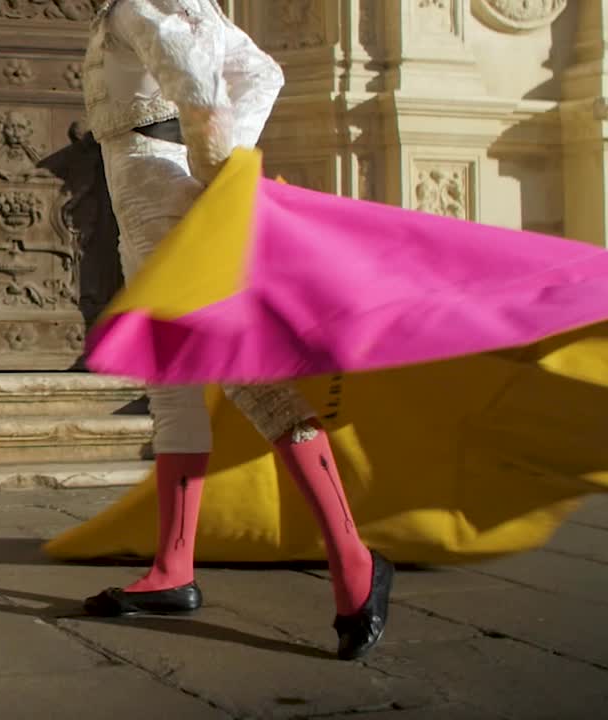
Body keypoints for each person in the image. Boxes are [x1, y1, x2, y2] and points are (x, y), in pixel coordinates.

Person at [77, 0, 391, 661]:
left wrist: (217, 169)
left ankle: (354, 559)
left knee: (250, 380)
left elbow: (199, 89)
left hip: (161, 194)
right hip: (149, 191)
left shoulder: (143, 4)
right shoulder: (176, 6)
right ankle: (174, 568)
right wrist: (222, 159)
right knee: (173, 379)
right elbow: (265, 72)